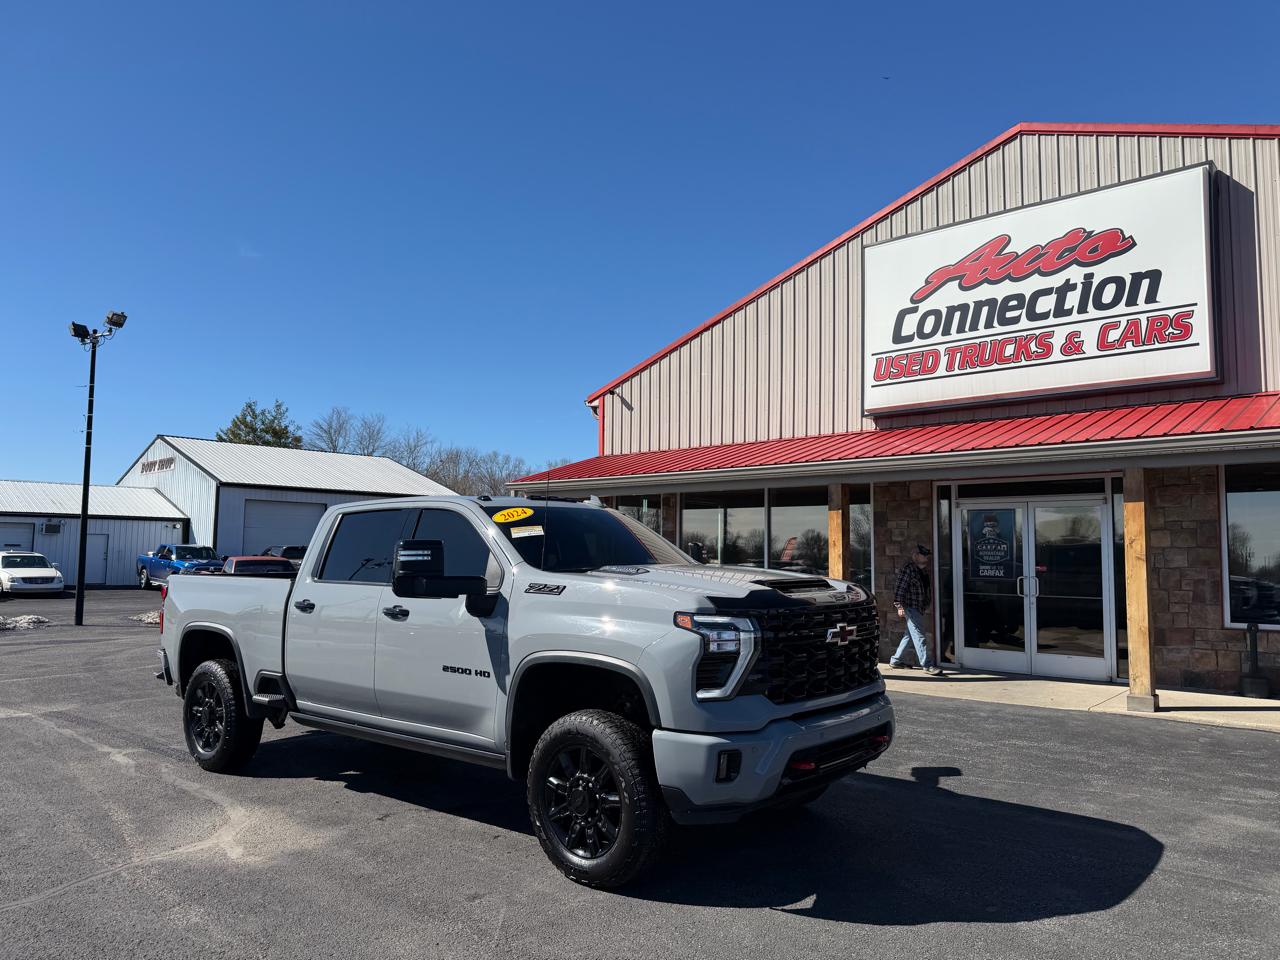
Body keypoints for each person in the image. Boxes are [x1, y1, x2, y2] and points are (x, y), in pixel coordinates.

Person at [890, 544, 943, 676]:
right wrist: (899, 606)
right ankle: (927, 665)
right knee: (920, 636)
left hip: (918, 608)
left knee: (909, 635)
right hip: (910, 607)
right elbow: (899, 589)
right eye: (923, 555)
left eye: (927, 556)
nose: (926, 558)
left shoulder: (922, 571)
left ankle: (896, 660)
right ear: (916, 556)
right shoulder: (908, 569)